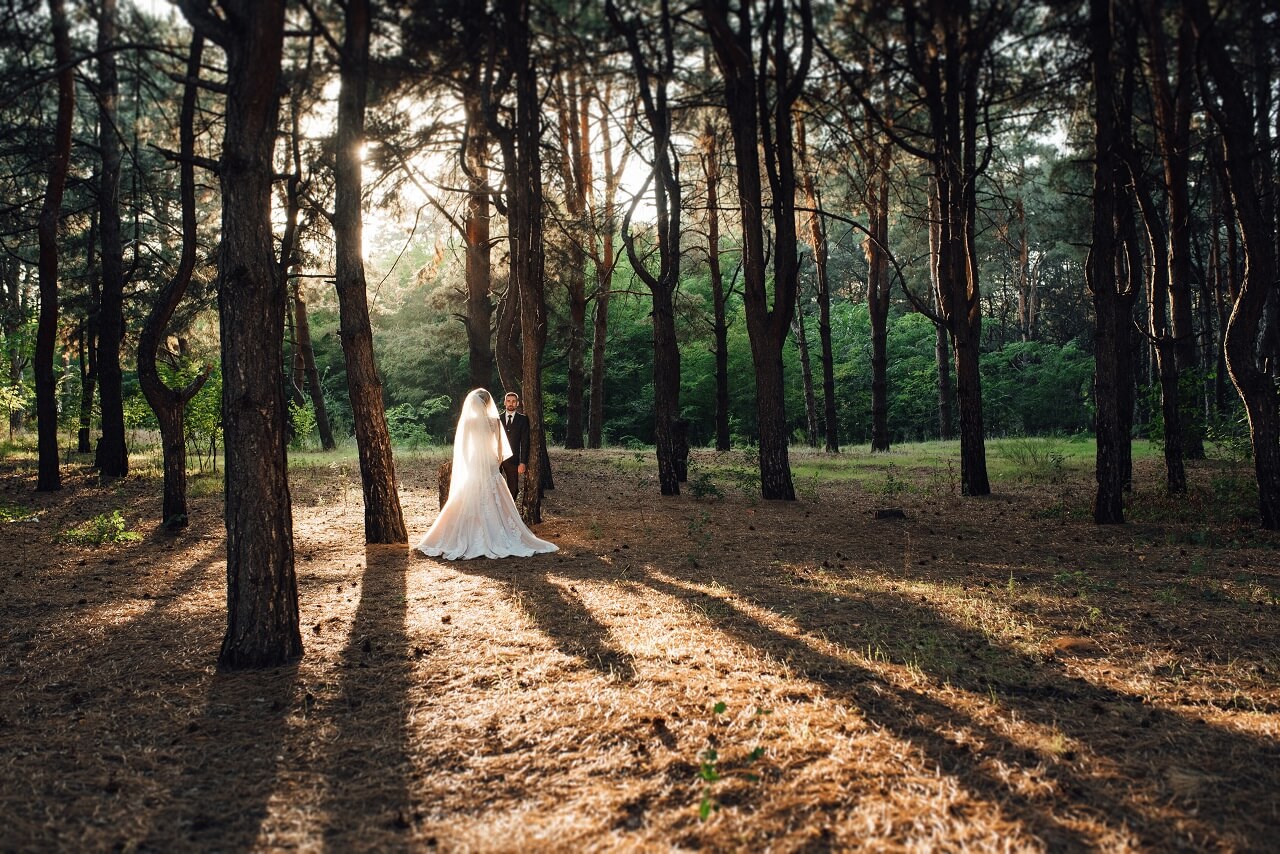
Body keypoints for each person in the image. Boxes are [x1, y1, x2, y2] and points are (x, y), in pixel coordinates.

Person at [413, 389, 557, 560]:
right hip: (490, 462)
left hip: (474, 461)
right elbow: (500, 448)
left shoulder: (469, 422)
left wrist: (467, 463)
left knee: (470, 494)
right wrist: (495, 462)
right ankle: (498, 532)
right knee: (494, 494)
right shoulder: (495, 421)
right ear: (488, 403)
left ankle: (469, 533)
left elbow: (464, 448)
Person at [499, 391, 529, 500]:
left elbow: (525, 442)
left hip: (513, 459)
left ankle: (509, 511)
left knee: (514, 488)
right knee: (493, 486)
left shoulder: (523, 419)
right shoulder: (497, 419)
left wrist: (523, 462)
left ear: (517, 403)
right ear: (505, 403)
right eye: (508, 401)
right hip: (497, 459)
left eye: (513, 401)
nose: (511, 403)